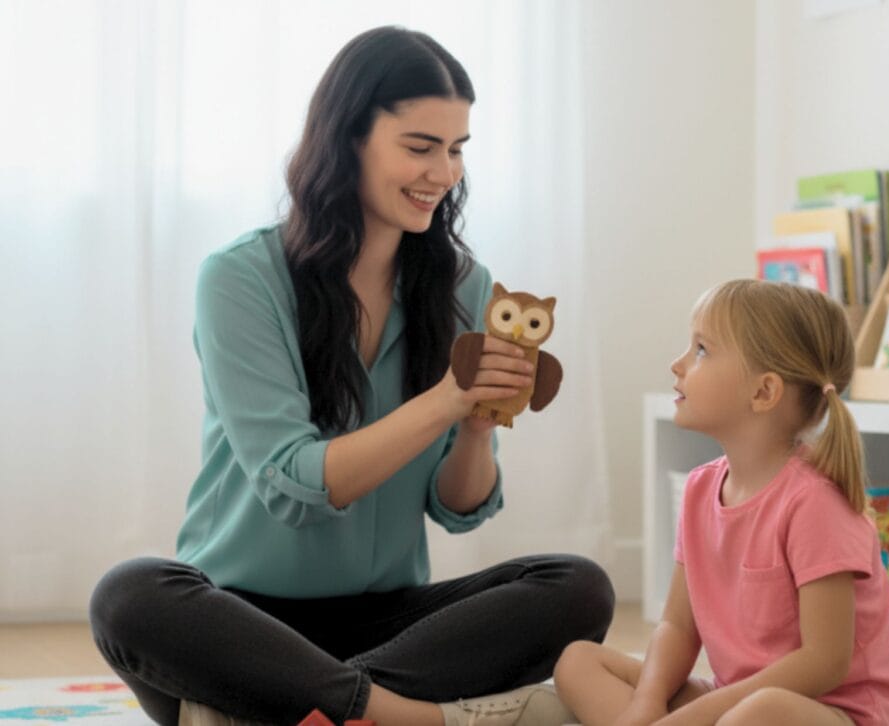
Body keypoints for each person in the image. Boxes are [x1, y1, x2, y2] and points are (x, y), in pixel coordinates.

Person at [89, 26, 613, 726]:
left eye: (457, 150)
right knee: (129, 596)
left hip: (391, 630)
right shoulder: (241, 279)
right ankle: (394, 716)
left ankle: (301, 710)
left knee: (577, 587)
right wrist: (446, 400)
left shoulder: (464, 287)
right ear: (346, 141)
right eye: (420, 147)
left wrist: (474, 433)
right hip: (240, 625)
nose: (445, 172)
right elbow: (296, 479)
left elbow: (456, 508)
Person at [554, 279, 889, 726]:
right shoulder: (700, 490)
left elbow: (824, 662)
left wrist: (698, 715)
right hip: (733, 703)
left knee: (759, 713)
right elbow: (678, 628)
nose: (678, 364)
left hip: (829, 712)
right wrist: (647, 704)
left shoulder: (816, 504)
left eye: (701, 349)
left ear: (764, 392)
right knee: (579, 662)